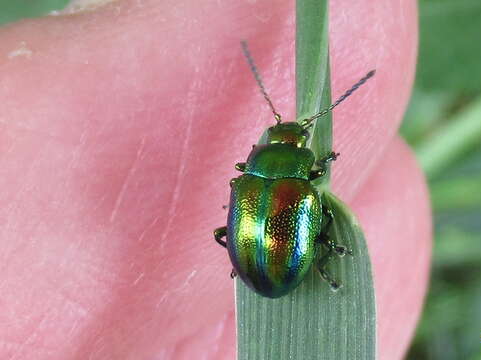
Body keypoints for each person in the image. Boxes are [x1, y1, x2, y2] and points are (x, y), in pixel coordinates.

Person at [0, 0, 431, 359]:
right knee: (320, 220)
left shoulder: (249, 179)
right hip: (271, 266)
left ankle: (319, 254)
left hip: (258, 264)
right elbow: (311, 206)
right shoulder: (292, 183)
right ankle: (323, 255)